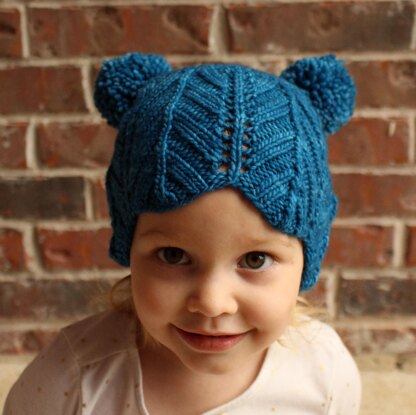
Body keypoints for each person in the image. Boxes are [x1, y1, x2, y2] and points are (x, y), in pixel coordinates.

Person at [3, 52, 361, 415]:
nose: (212, 302)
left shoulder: (325, 372)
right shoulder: (73, 376)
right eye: (173, 255)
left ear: (306, 261)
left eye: (255, 260)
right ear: (130, 244)